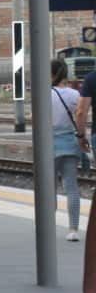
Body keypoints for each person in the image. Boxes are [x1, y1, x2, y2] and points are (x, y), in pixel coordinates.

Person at [52, 59, 85, 242]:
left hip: (49, 144)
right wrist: (82, 137)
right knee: (71, 187)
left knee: (49, 188)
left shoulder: (45, 94)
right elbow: (79, 115)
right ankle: (73, 230)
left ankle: (48, 226)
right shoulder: (74, 94)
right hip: (70, 143)